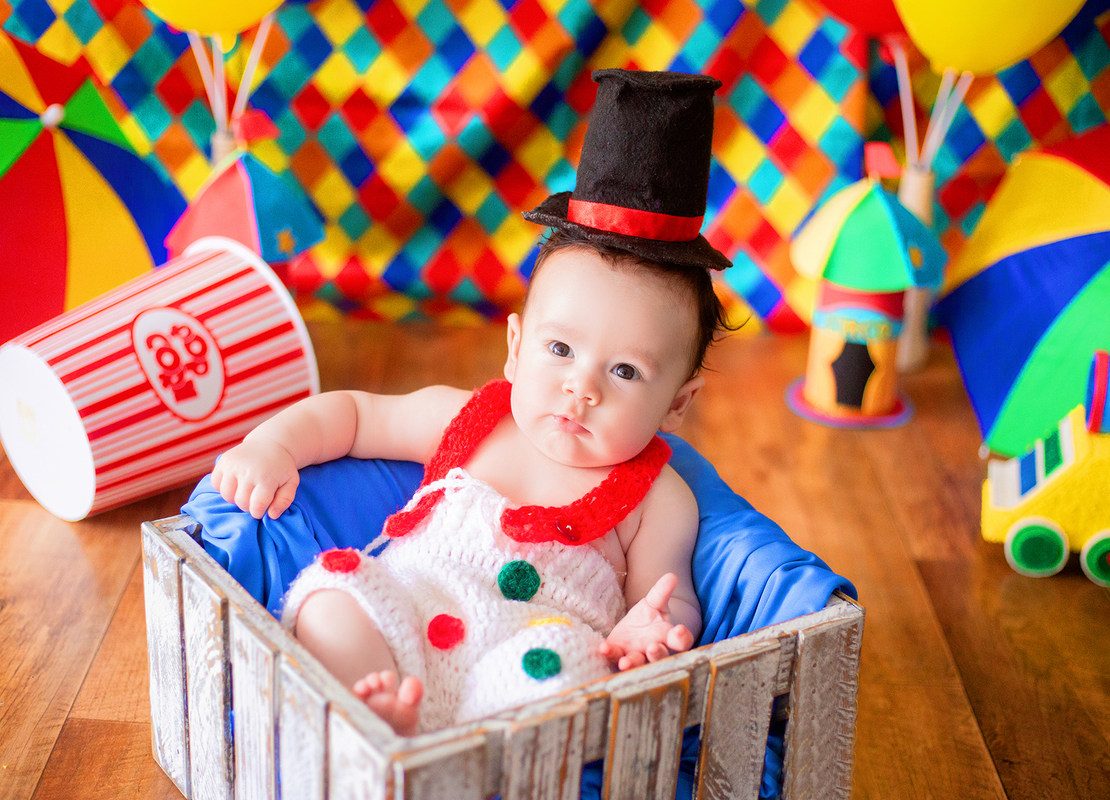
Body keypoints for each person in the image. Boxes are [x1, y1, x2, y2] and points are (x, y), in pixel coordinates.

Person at [209, 69, 734, 736]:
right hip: (406, 615)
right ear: (515, 348)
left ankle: (444, 758)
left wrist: (653, 628)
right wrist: (273, 445)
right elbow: (355, 416)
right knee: (332, 598)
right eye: (560, 350)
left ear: (677, 404)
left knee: (570, 672)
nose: (583, 387)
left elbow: (669, 593)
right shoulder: (470, 419)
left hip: (528, 653)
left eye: (626, 370)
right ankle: (375, 726)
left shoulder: (658, 498)